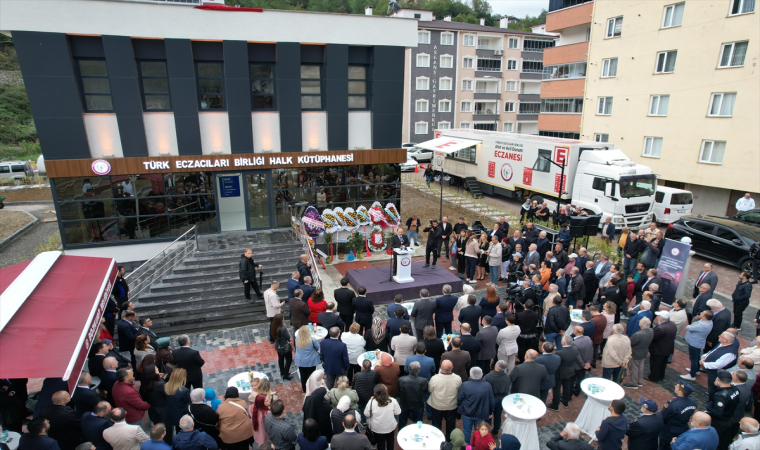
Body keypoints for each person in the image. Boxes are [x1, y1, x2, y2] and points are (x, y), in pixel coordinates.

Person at [457, 367, 495, 443]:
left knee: (466, 431)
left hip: (467, 412)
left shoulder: (465, 385)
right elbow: (491, 401)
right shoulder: (487, 385)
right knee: (480, 432)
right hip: (481, 413)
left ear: (470, 375)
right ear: (482, 375)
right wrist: (490, 412)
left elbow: (459, 398)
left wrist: (460, 406)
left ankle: (467, 447)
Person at [428, 360, 462, 440]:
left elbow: (430, 389)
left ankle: (437, 439)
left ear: (441, 368)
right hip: (451, 405)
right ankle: (449, 440)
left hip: (437, 405)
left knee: (436, 423)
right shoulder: (457, 378)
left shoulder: (435, 378)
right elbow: (459, 390)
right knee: (451, 423)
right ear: (452, 367)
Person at [658, 381, 698, 450]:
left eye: (677, 386)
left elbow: (663, 417)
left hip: (669, 432)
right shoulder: (693, 402)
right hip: (683, 429)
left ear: (680, 392)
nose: (675, 386)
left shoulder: (673, 404)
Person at [708, 370, 740, 450]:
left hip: (720, 422)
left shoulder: (721, 395)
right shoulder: (735, 389)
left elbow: (718, 412)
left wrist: (708, 412)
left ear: (718, 379)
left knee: (716, 440)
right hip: (729, 418)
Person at [702, 332, 739, 400]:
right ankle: (710, 398)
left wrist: (704, 364)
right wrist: (704, 357)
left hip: (716, 374)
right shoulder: (721, 344)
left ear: (725, 340)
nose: (719, 336)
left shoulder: (730, 353)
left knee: (713, 388)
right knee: (711, 386)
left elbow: (717, 365)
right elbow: (712, 351)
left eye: (721, 336)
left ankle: (712, 401)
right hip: (711, 371)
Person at [363, 384, 400, 450]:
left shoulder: (371, 402)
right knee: (390, 441)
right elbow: (398, 412)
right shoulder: (392, 400)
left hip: (377, 428)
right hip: (390, 426)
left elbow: (366, 414)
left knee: (380, 444)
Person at [548, 334, 579, 411]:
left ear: (564, 343)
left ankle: (555, 405)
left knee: (556, 389)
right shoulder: (575, 348)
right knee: (567, 386)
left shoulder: (560, 353)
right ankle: (565, 402)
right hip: (570, 371)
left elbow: (556, 362)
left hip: (560, 373)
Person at [483, 360, 510, 437]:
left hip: (490, 399)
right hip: (501, 399)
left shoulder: (488, 377)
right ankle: (496, 430)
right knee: (498, 415)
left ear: (496, 366)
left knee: (488, 416)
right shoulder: (507, 377)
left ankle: (486, 432)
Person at [624, 318, 653, 389]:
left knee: (634, 368)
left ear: (641, 325)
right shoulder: (651, 331)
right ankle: (639, 381)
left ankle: (633, 383)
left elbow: (630, 343)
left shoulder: (638, 334)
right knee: (640, 367)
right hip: (643, 352)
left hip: (635, 353)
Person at [648, 311, 677, 382]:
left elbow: (652, 337)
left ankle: (653, 377)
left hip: (659, 349)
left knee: (655, 364)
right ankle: (661, 376)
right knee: (662, 364)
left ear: (662, 319)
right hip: (667, 348)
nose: (657, 317)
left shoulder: (661, 328)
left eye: (659, 316)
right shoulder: (672, 324)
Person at [398, 361, 429, 426]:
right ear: (418, 371)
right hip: (418, 405)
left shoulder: (401, 379)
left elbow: (398, 389)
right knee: (418, 424)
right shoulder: (423, 380)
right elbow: (425, 390)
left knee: (402, 422)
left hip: (404, 404)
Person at [294, 326, 321, 392]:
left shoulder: (297, 338)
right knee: (311, 376)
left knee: (303, 376)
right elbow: (317, 348)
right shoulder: (312, 340)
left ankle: (305, 389)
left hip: (301, 361)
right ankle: (311, 389)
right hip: (311, 361)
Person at [571, 326, 593, 396]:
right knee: (580, 378)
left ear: (575, 332)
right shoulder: (588, 338)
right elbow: (591, 351)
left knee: (572, 379)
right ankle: (577, 391)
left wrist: (583, 364)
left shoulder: (574, 343)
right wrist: (588, 362)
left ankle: (571, 392)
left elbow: (577, 356)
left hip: (577, 365)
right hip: (585, 363)